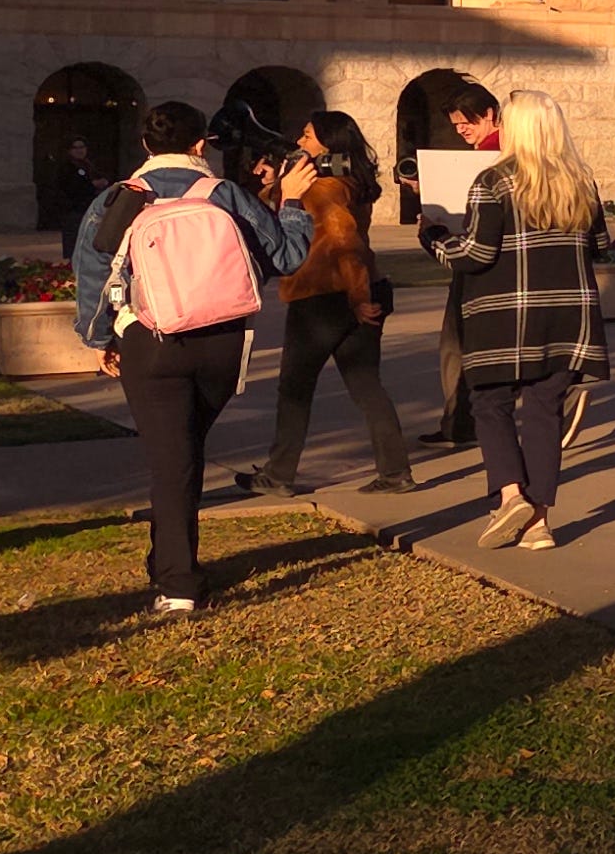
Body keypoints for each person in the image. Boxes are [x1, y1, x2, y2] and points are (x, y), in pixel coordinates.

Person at [73, 100, 313, 612]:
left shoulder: (120, 197)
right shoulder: (224, 194)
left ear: (145, 145)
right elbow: (286, 257)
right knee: (182, 452)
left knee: (172, 459)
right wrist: (291, 202)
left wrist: (100, 338)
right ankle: (168, 560)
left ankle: (178, 583)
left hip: (150, 340)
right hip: (223, 342)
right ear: (200, 144)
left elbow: (96, 275)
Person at [421, 89, 610, 554]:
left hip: (505, 315)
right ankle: (539, 522)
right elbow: (601, 244)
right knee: (545, 412)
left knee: (490, 404)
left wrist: (435, 239)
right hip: (569, 316)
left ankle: (510, 495)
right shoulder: (580, 181)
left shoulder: (494, 180)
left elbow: (477, 253)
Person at [262, 111, 411, 495]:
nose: (300, 141)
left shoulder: (323, 188)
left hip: (322, 295)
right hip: (357, 290)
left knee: (295, 388)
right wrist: (274, 184)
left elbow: (346, 242)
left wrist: (358, 299)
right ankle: (395, 472)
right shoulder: (350, 181)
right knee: (365, 384)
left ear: (328, 143)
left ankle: (279, 474)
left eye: (308, 135)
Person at [420, 83, 502, 447]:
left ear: (488, 115)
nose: (461, 130)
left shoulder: (488, 159)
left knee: (457, 345)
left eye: (465, 122)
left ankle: (459, 424)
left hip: (477, 261)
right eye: (455, 126)